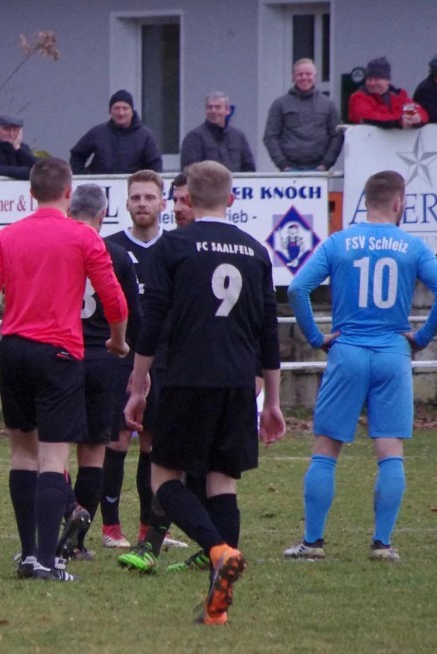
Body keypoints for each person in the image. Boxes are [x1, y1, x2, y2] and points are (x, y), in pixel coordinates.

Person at [123, 160, 285, 625]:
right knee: (222, 483)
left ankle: (216, 551)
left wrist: (138, 387)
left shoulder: (173, 246)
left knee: (165, 479)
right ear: (232, 200)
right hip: (238, 383)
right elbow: (268, 333)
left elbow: (150, 324)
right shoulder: (255, 251)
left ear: (187, 200)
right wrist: (271, 400)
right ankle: (218, 605)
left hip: (186, 379)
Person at [0, 157, 130, 582]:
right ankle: (45, 558)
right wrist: (117, 340)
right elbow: (114, 298)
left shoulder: (6, 237)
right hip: (58, 352)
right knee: (54, 458)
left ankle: (25, 554)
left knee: (22, 453)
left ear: (31, 193)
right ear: (68, 193)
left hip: (15, 351)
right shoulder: (84, 237)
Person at [283, 171, 437, 563]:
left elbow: (297, 289)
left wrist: (316, 337)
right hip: (393, 352)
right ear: (399, 203)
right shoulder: (412, 246)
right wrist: (422, 337)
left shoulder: (339, 242)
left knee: (326, 449)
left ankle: (313, 543)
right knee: (389, 450)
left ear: (365, 201)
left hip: (347, 350)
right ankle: (382, 543)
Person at [101, 170, 189, 554]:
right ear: (126, 203)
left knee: (152, 445)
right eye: (135, 197)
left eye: (149, 197)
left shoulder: (177, 248)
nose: (142, 204)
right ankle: (110, 527)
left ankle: (147, 528)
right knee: (118, 439)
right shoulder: (109, 248)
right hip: (121, 356)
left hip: (167, 358)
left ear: (162, 203)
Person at [54, 183, 141, 562]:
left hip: (61, 353)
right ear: (103, 215)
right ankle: (78, 542)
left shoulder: (57, 248)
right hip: (106, 358)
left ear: (69, 210)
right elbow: (130, 313)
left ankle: (69, 510)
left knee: (53, 452)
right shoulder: (118, 256)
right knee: (93, 451)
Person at [263, 59, 344, 171]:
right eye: (300, 74)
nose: (304, 77)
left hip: (319, 169)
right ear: (293, 77)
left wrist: (326, 164)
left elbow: (337, 135)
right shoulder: (280, 104)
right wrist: (283, 165)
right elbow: (270, 136)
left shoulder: (328, 104)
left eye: (308, 74)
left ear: (315, 77)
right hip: (289, 169)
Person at [69, 90, 163, 175]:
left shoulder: (145, 136)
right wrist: (83, 177)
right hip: (101, 188)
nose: (121, 113)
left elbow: (155, 166)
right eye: (116, 108)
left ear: (132, 111)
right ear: (110, 111)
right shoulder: (97, 133)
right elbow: (77, 155)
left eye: (125, 108)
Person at [180, 92, 256, 172]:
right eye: (209, 107)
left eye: (218, 107)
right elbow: (189, 171)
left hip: (235, 184)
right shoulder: (194, 137)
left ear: (228, 110)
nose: (213, 111)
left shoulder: (238, 136)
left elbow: (249, 168)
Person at [348, 57, 427, 129]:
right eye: (369, 79)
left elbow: (421, 112)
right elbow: (366, 117)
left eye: (377, 79)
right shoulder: (359, 97)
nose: (372, 83)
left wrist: (417, 119)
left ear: (387, 80)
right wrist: (399, 121)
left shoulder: (399, 96)